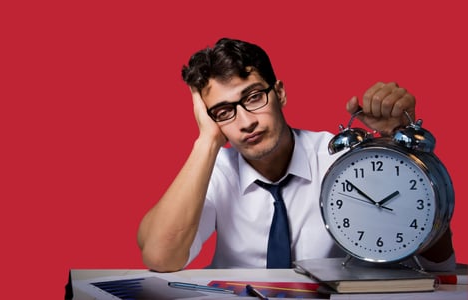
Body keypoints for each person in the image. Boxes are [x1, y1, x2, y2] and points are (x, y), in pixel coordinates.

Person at [137, 38, 455, 273]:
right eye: (224, 111)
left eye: (254, 97)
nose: (246, 121)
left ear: (281, 93)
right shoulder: (215, 170)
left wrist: (396, 150)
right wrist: (206, 141)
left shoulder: (345, 163)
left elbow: (436, 263)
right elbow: (161, 257)